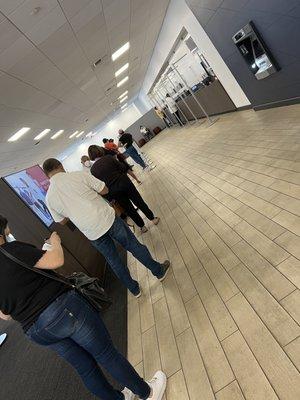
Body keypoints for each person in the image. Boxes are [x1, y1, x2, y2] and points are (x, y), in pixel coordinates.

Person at [0, 215, 167, 400]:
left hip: (35, 331)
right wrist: (55, 242)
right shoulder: (12, 249)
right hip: (62, 310)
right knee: (106, 353)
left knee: (85, 369)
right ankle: (148, 393)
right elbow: (55, 261)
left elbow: (5, 316)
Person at [43, 159, 170, 298]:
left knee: (114, 261)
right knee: (133, 246)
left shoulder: (49, 198)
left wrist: (72, 210)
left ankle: (135, 290)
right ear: (60, 165)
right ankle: (159, 271)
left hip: (92, 233)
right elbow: (104, 190)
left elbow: (61, 221)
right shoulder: (78, 175)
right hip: (108, 219)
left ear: (46, 175)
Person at [88, 145, 158, 233]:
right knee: (139, 201)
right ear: (100, 150)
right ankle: (153, 219)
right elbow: (123, 168)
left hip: (114, 191)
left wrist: (110, 198)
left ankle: (142, 227)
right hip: (125, 183)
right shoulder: (109, 158)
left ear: (90, 156)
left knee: (129, 209)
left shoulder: (93, 170)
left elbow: (100, 186)